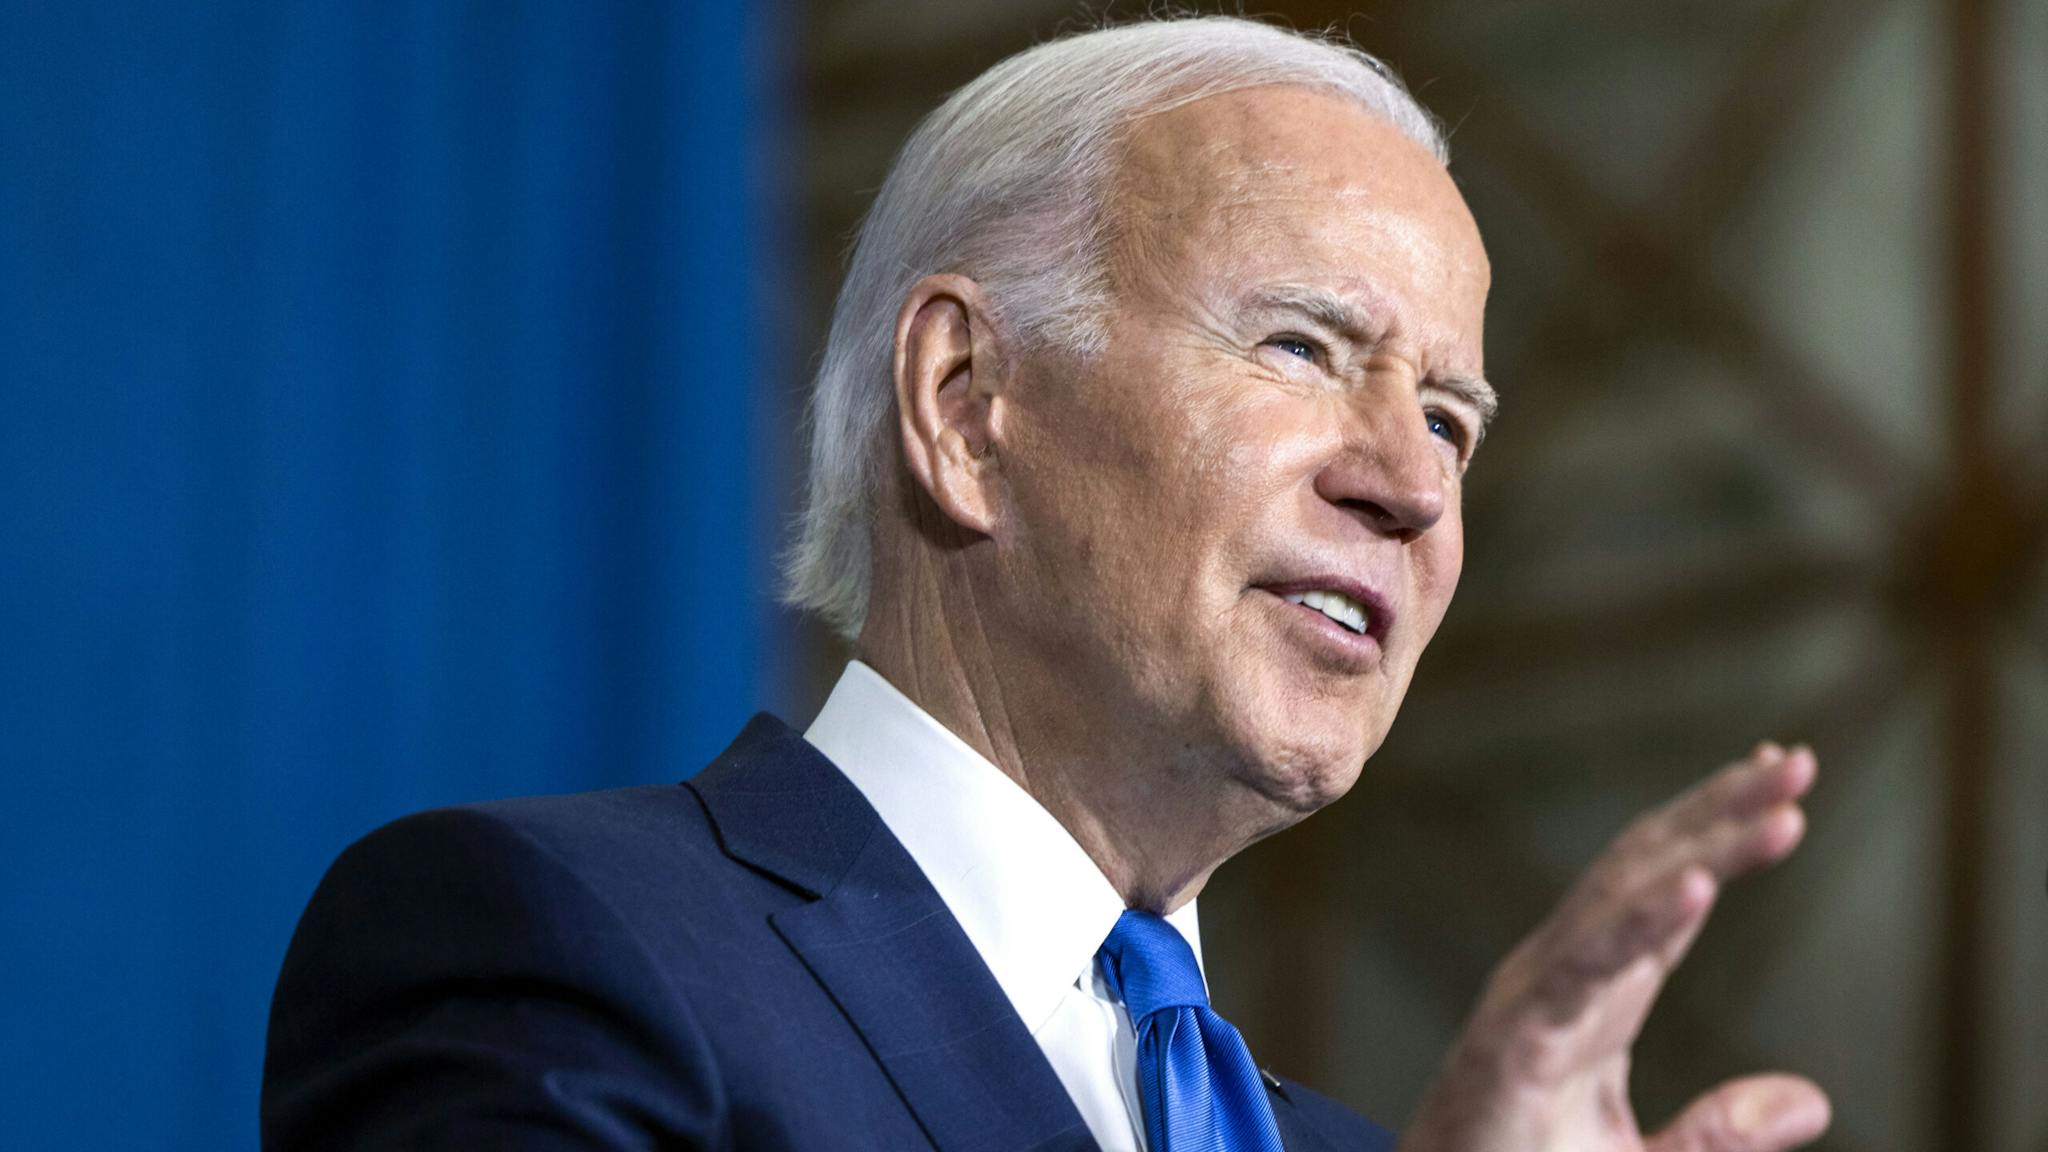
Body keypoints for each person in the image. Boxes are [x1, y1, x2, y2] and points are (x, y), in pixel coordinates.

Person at [263, 16, 1831, 1152]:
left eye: (1448, 421)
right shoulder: (561, 954)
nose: (1412, 488)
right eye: (1302, 347)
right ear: (964, 404)